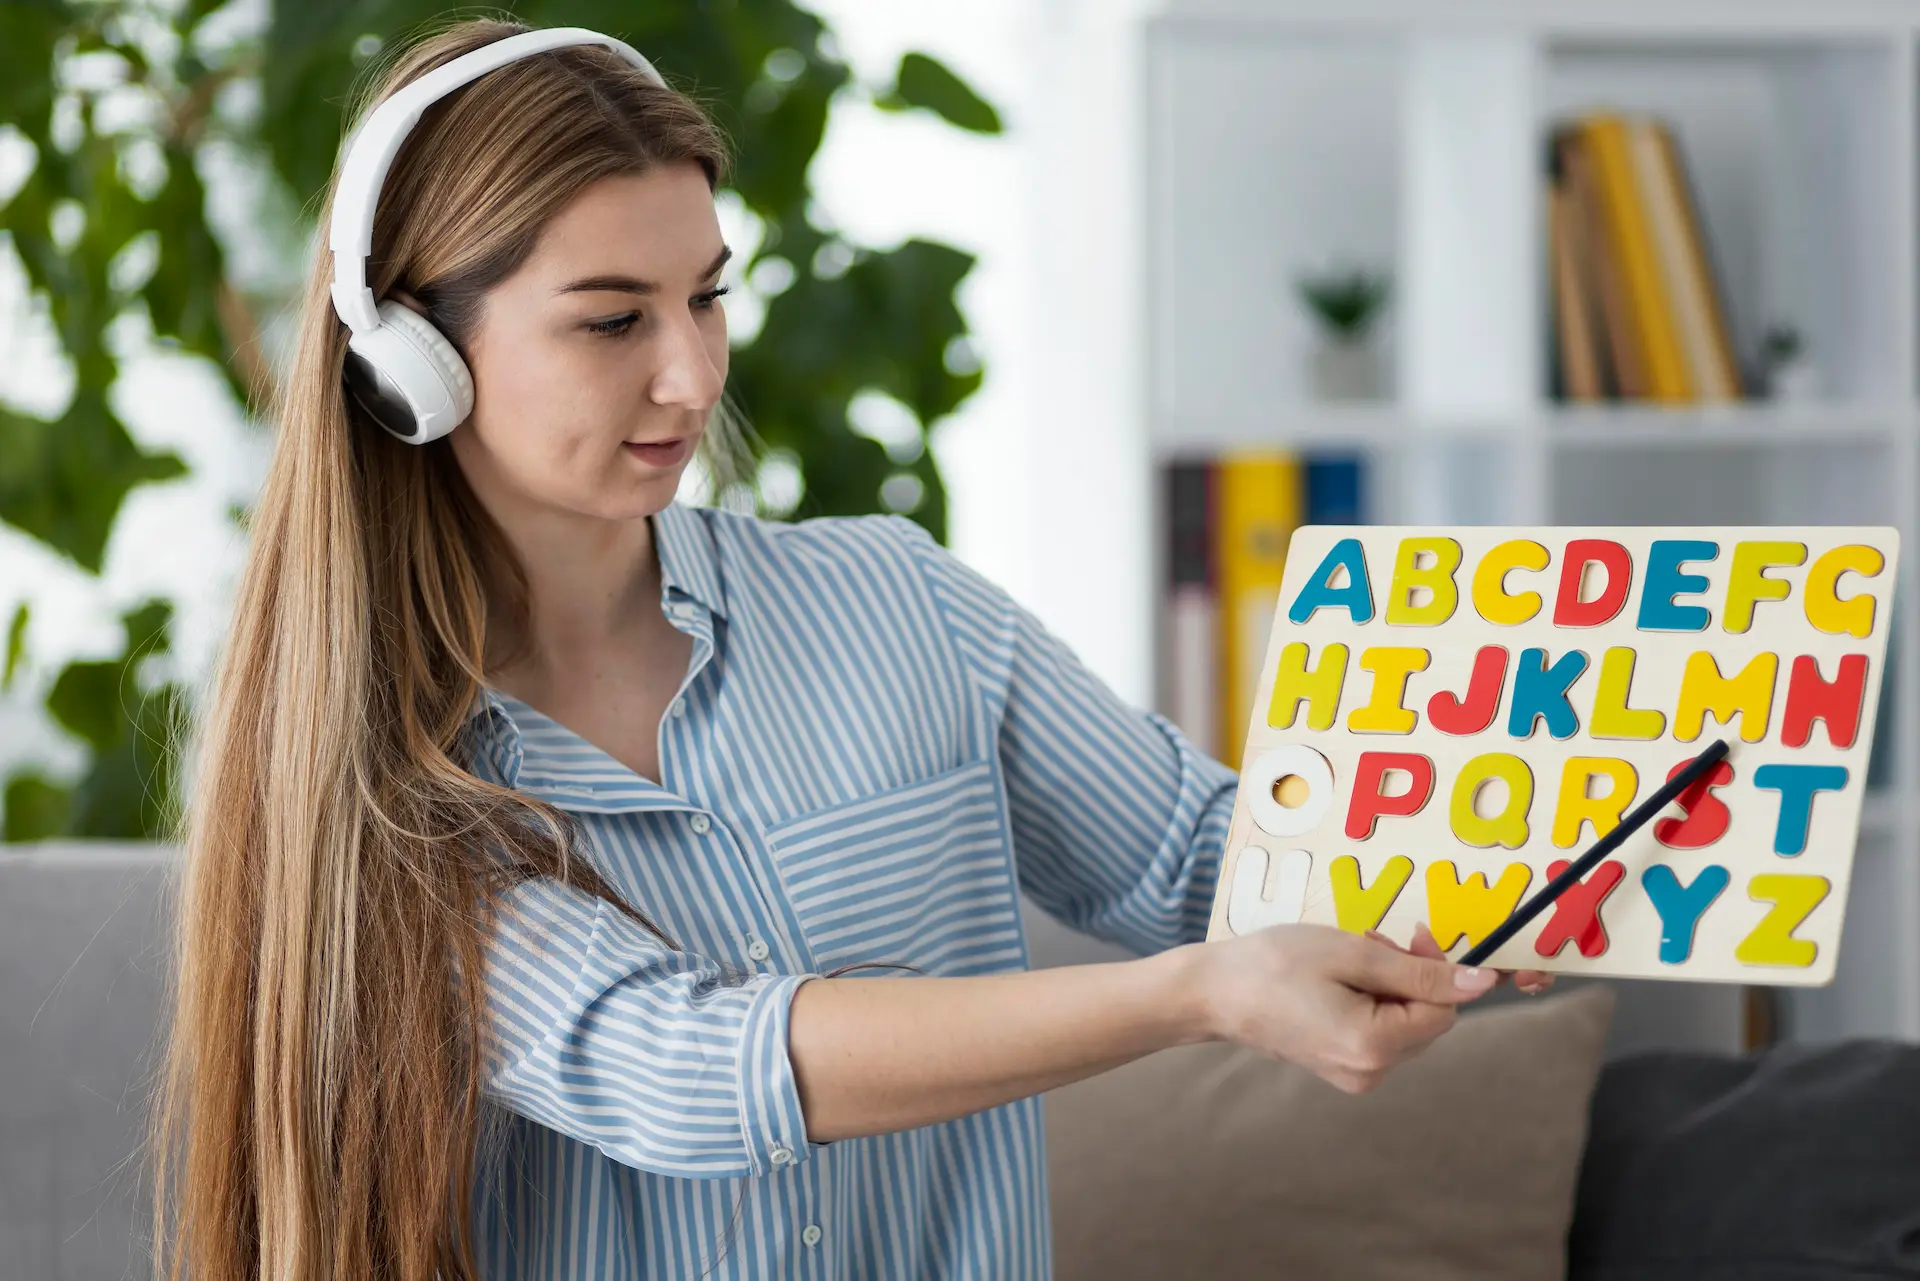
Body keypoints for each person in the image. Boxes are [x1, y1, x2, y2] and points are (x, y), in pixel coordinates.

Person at [153, 17, 1551, 1281]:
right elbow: (689, 1066)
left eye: (706, 296)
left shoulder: (902, 606)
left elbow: (1205, 863)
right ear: (415, 363)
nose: (692, 376)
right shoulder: (377, 768)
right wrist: (1193, 1000)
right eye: (611, 321)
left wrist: (1482, 870)